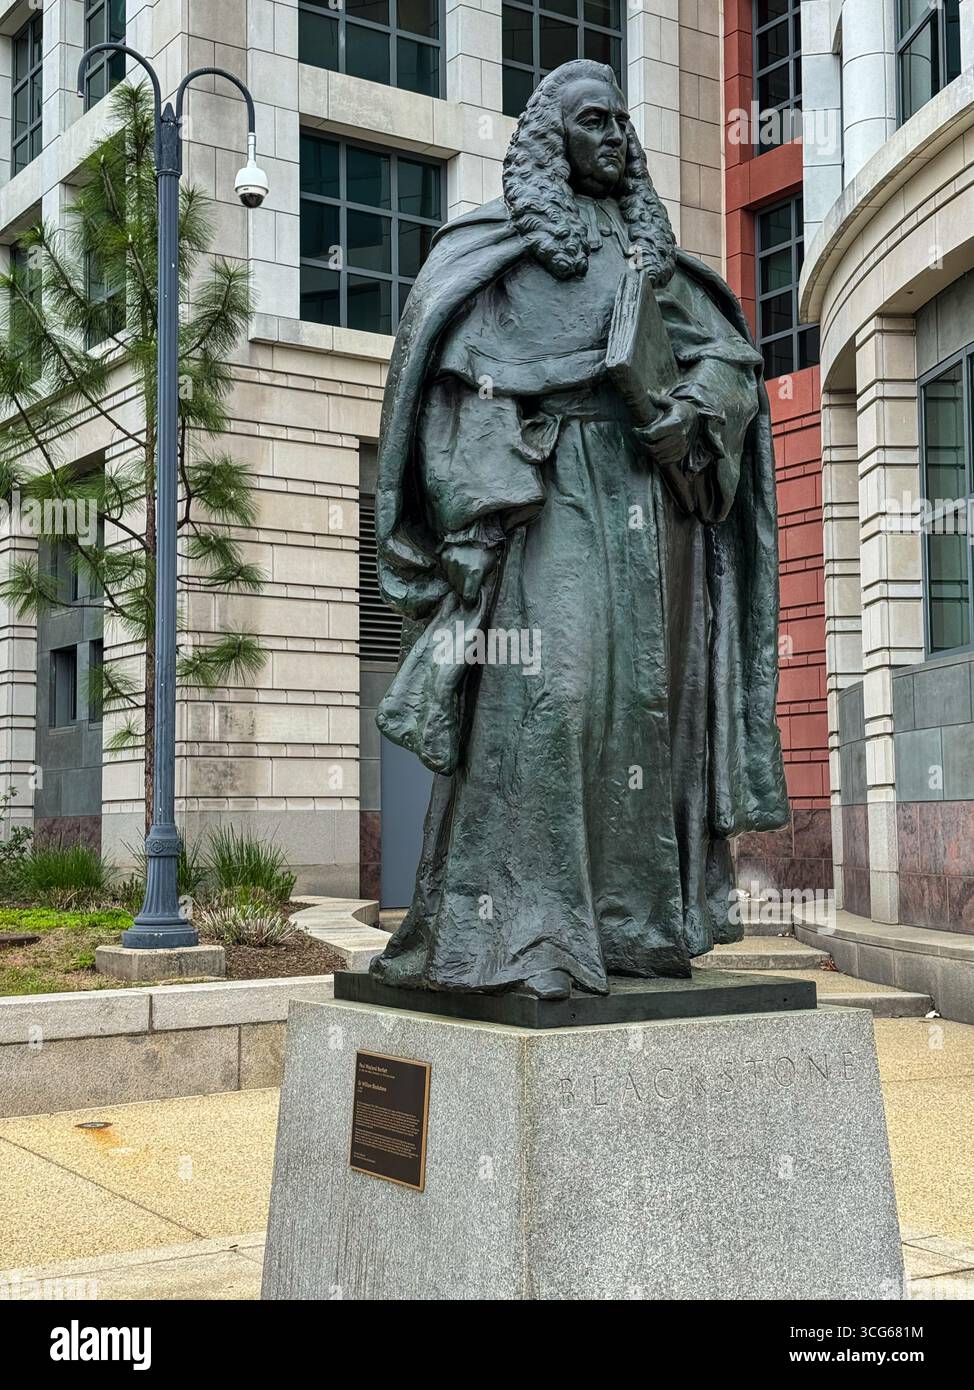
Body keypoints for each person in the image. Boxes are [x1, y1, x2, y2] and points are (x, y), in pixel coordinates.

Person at [370, 60, 788, 1000]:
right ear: (553, 141)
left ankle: (636, 927)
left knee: (646, 711)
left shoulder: (651, 258)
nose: (614, 136)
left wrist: (697, 408)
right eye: (593, 121)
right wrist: (480, 505)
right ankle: (522, 933)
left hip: (652, 508)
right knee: (552, 696)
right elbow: (451, 393)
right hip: (547, 494)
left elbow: (730, 359)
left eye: (620, 123)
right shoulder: (495, 254)